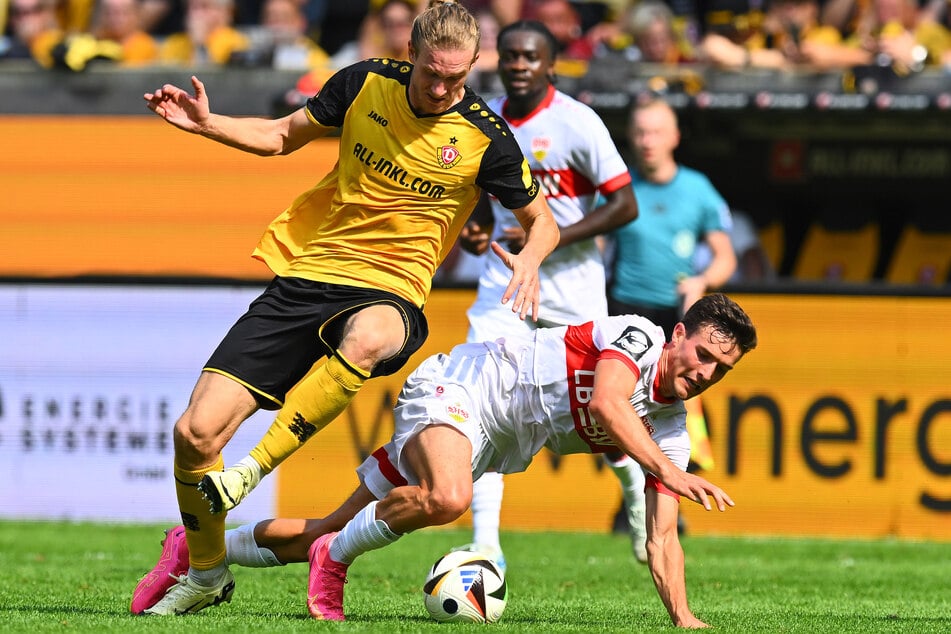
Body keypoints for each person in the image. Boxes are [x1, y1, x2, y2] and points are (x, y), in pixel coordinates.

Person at [132, 0, 559, 616]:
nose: (442, 88)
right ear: (410, 54)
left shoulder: (485, 135)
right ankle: (204, 573)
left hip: (393, 289)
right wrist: (208, 124)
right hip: (308, 275)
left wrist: (529, 258)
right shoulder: (364, 83)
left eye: (457, 78)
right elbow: (282, 136)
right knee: (194, 435)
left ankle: (251, 471)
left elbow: (539, 220)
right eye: (432, 73)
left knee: (368, 336)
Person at [143, 292, 757, 626]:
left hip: (488, 441)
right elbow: (608, 401)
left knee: (326, 529)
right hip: (464, 386)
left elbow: (663, 538)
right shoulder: (640, 337)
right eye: (702, 354)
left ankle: (195, 548)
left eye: (720, 371)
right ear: (679, 334)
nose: (704, 374)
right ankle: (337, 561)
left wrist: (684, 620)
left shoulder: (670, 429)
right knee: (448, 500)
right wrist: (670, 471)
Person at [453, 19, 640, 567]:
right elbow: (479, 194)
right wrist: (478, 226)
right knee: (481, 398)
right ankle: (486, 545)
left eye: (530, 56)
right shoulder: (482, 118)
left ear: (551, 63)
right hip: (506, 279)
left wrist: (551, 238)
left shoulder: (578, 122)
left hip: (572, 285)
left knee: (601, 409)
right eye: (509, 55)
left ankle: (635, 505)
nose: (518, 64)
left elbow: (624, 204)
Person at [605, 96, 736, 531]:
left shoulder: (697, 189)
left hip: (675, 319)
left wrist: (701, 281)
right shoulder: (621, 187)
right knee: (618, 412)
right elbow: (600, 246)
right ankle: (633, 504)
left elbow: (725, 257)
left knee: (675, 415)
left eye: (656, 132)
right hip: (624, 314)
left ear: (675, 137)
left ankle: (665, 506)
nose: (647, 141)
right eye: (640, 132)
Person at [157, 0, 249, 65]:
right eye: (193, 7)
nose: (197, 14)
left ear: (225, 12)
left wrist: (200, 46)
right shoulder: (174, 43)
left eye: (205, 7)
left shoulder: (236, 42)